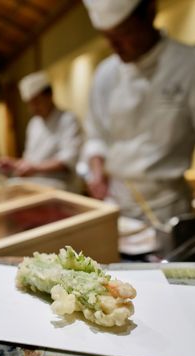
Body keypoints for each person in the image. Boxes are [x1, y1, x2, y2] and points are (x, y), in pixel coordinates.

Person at [82, 0, 195, 224]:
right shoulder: (105, 73)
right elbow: (96, 135)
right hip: (115, 204)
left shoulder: (188, 64)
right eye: (107, 36)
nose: (114, 46)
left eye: (123, 33)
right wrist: (96, 172)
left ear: (150, 13)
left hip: (167, 208)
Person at [0, 71, 82, 191]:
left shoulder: (68, 119)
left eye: (36, 101)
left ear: (49, 95)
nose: (32, 108)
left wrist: (34, 168)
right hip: (33, 182)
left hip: (59, 185)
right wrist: (14, 164)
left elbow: (67, 161)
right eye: (29, 104)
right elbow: (30, 160)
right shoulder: (34, 123)